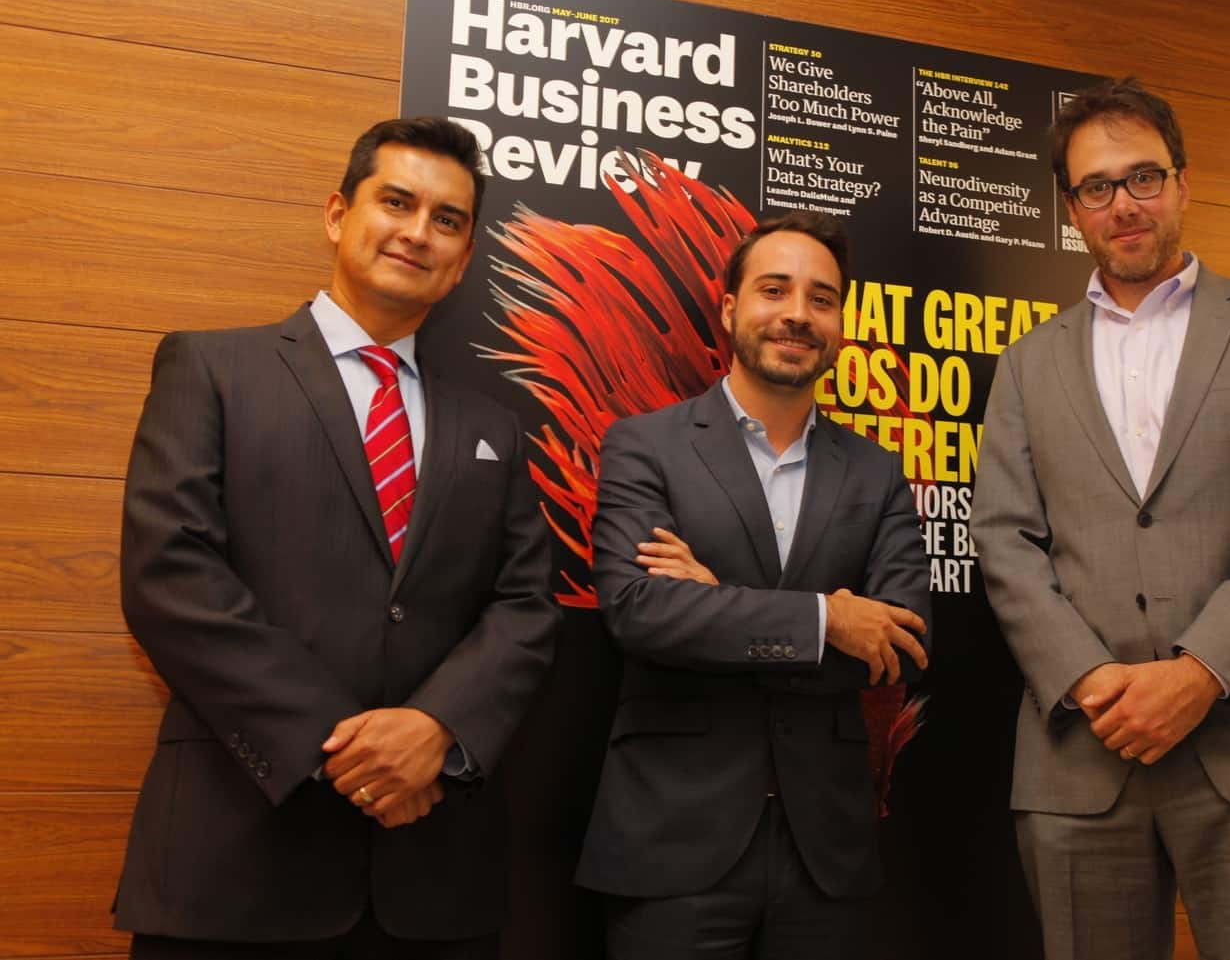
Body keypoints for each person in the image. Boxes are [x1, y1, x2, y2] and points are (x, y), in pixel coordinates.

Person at [112, 116, 561, 959]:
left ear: (464, 260)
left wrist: (437, 726)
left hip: (432, 882)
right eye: (396, 201)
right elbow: (170, 578)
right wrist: (346, 748)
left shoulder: (492, 425)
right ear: (336, 214)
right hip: (236, 864)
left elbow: (525, 606)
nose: (417, 231)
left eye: (447, 219)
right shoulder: (211, 369)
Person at [971, 77, 1230, 960]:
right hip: (1082, 752)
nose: (1124, 204)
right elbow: (1003, 539)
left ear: (1182, 183)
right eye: (1097, 187)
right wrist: (1091, 680)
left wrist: (1198, 672)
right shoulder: (1026, 365)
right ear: (1071, 209)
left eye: (1143, 176)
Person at [576, 210, 931, 959]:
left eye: (821, 297)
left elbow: (896, 644)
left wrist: (715, 599)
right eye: (775, 290)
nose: (798, 314)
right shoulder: (645, 445)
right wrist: (822, 620)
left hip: (824, 852)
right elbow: (641, 613)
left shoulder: (877, 473)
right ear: (731, 307)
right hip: (673, 843)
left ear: (840, 321)